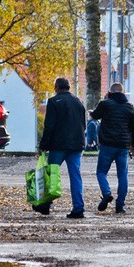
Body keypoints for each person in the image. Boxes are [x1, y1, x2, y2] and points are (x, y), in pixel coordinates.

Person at [35, 77, 88, 218]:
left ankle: (46, 204)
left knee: (52, 174)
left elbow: (50, 126)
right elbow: (84, 124)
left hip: (59, 145)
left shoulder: (53, 102)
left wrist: (43, 145)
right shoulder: (79, 102)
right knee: (75, 176)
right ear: (68, 87)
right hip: (76, 145)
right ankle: (79, 207)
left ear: (56, 88)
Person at [89, 82, 134, 214]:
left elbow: (94, 115)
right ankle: (120, 205)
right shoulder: (129, 107)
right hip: (123, 146)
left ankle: (106, 193)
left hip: (107, 145)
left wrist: (105, 99)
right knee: (122, 175)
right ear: (123, 93)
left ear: (110, 92)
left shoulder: (105, 104)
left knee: (101, 172)